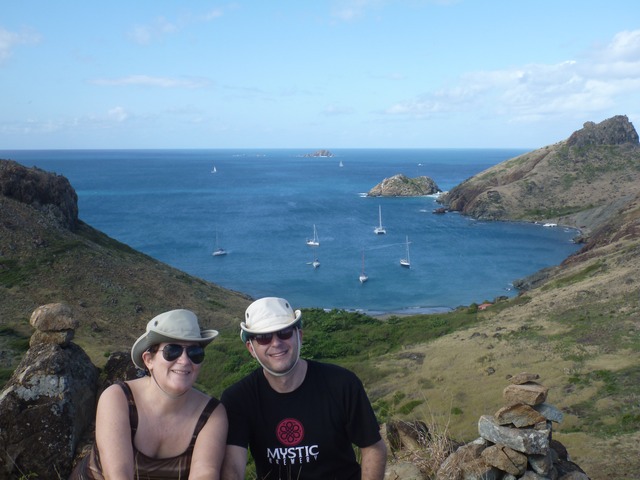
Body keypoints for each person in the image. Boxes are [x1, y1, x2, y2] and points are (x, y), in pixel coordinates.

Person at [220, 297, 387, 480]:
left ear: (299, 336)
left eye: (284, 333)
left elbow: (373, 448)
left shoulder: (342, 384)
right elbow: (232, 468)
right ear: (251, 348)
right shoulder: (238, 399)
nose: (276, 343)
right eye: (263, 337)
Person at [70, 309, 228, 480]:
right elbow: (117, 474)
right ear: (148, 360)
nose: (184, 360)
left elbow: (205, 473)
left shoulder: (212, 414)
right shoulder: (118, 398)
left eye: (194, 353)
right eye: (172, 351)